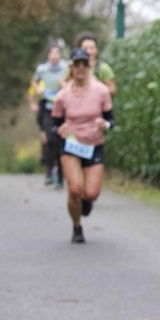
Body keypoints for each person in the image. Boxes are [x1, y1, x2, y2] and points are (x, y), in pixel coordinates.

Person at [52, 48, 114, 244]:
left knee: (91, 193)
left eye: (84, 64)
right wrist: (58, 129)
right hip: (71, 144)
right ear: (71, 67)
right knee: (75, 189)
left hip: (94, 144)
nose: (80, 68)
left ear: (89, 66)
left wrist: (105, 125)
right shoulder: (63, 95)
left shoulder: (101, 91)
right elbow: (54, 123)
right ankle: (77, 226)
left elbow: (110, 119)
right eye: (76, 64)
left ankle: (86, 202)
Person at [30, 42, 68, 187]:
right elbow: (33, 82)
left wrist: (64, 85)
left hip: (63, 107)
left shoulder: (66, 67)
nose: (55, 56)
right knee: (49, 139)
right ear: (48, 55)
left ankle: (60, 174)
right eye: (52, 53)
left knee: (61, 140)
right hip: (47, 107)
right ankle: (49, 169)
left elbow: (72, 82)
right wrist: (38, 90)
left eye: (57, 53)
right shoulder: (42, 69)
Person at [73, 31, 116, 95]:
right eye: (85, 48)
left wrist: (97, 86)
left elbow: (112, 90)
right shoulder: (74, 68)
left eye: (92, 48)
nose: (89, 51)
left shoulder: (103, 68)